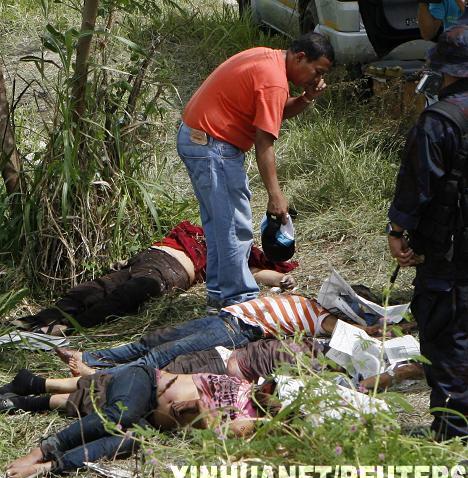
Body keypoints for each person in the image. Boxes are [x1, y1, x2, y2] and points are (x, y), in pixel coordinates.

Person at [177, 33, 334, 309]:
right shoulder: (274, 80)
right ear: (300, 57)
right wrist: (275, 195)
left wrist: (307, 97)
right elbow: (264, 143)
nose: (318, 78)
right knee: (234, 227)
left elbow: (273, 109)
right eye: (317, 71)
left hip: (196, 137)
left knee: (220, 225)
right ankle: (239, 301)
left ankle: (221, 295)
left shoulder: (269, 59)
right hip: (212, 145)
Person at [387, 24, 468, 440]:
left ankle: (453, 429)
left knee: (446, 335)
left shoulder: (439, 121)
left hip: (450, 253)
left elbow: (417, 186)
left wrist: (398, 229)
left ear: (446, 70)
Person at [12, 221, 297, 334]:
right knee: (93, 288)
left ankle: (68, 328)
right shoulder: (201, 229)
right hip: (148, 258)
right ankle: (36, 320)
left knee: (129, 293)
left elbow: (258, 273)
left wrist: (281, 281)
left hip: (168, 273)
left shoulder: (238, 252)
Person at [2, 366, 278, 478]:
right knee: (119, 415)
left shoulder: (249, 422)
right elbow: (205, 416)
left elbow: (215, 431)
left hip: (149, 420)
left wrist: (200, 409)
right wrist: (200, 409)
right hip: (145, 381)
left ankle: (48, 467)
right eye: (269, 387)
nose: (267, 391)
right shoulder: (241, 386)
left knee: (127, 441)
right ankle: (41, 451)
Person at [53, 293, 386, 378]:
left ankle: (99, 377)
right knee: (153, 341)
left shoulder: (321, 317)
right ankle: (92, 357)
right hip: (225, 318)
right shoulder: (305, 300)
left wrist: (368, 331)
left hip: (236, 331)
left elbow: (344, 332)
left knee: (162, 355)